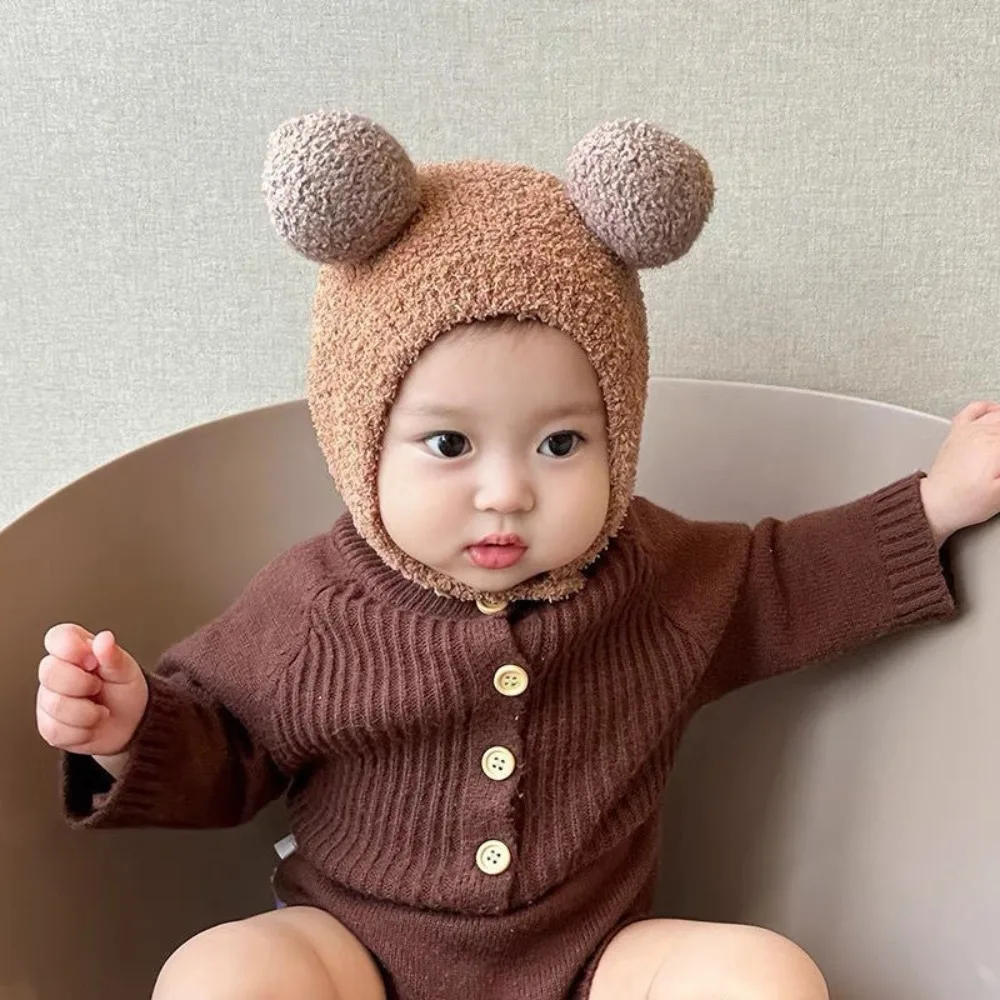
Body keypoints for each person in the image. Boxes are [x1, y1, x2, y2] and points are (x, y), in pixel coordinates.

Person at [35, 111, 1000, 1000]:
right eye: (450, 445)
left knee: (762, 975)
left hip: (595, 959)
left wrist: (939, 502)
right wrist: (128, 728)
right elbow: (225, 748)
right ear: (358, 439)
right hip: (350, 951)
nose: (507, 491)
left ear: (619, 433)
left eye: (561, 444)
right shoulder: (310, 606)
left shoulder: (659, 577)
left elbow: (791, 580)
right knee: (216, 974)